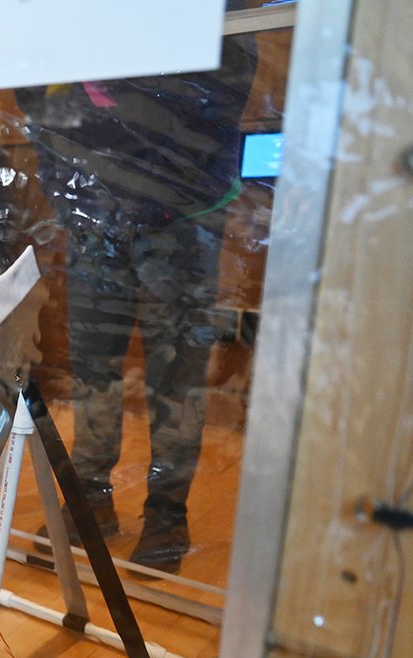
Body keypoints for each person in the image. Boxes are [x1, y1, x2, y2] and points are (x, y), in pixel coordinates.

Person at [15, 34, 257, 573]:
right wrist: (76, 199)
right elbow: (35, 96)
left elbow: (218, 89)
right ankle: (91, 501)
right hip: (94, 223)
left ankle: (167, 515)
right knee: (94, 371)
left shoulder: (194, 23)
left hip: (181, 222)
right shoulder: (77, 22)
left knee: (177, 377)